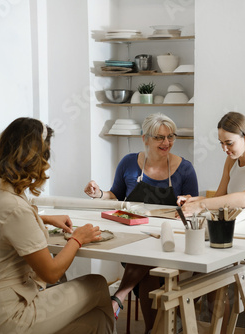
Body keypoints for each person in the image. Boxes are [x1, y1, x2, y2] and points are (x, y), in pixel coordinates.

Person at [0, 118, 114, 334]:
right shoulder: (14, 207)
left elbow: (1, 222)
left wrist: (44, 218)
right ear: (36, 157)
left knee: (96, 320)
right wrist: (78, 239)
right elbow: (51, 273)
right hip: (7, 318)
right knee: (98, 284)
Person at [84, 113, 198, 333]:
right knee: (148, 265)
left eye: (170, 136)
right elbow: (115, 195)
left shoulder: (185, 169)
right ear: (145, 138)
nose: (167, 143)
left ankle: (119, 297)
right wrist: (98, 194)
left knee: (150, 261)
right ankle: (154, 329)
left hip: (171, 243)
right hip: (133, 239)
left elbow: (192, 208)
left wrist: (186, 205)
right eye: (159, 138)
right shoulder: (129, 163)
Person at [178, 111, 245, 215]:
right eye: (221, 143)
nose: (224, 149)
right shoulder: (231, 161)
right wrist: (195, 201)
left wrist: (202, 204)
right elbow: (219, 199)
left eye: (229, 143)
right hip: (239, 226)